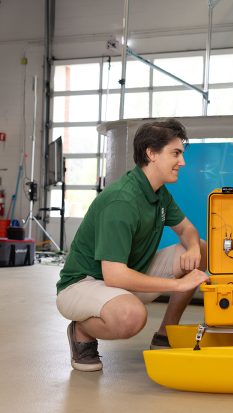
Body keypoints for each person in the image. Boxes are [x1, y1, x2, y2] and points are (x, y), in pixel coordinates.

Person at [56, 118, 209, 372]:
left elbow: (187, 230)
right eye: (176, 153)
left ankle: (165, 333)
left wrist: (193, 248)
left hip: (124, 275)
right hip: (83, 284)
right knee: (132, 317)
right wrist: (178, 284)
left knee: (201, 248)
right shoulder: (122, 200)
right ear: (151, 154)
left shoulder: (158, 192)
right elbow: (114, 275)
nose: (182, 162)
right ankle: (81, 329)